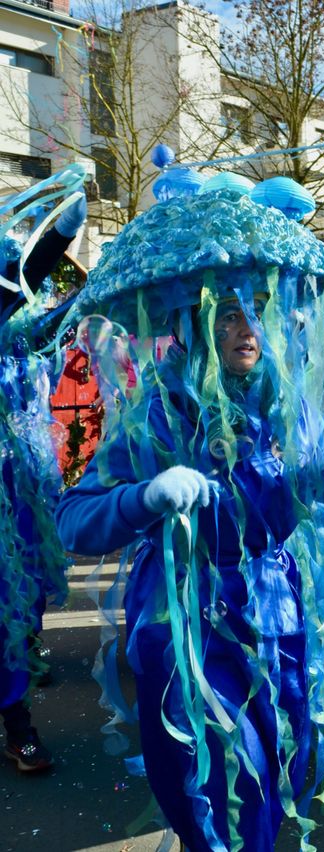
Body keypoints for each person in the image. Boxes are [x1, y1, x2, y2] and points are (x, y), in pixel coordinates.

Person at [55, 185, 324, 850]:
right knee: (224, 772)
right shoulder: (156, 414)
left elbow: (285, 510)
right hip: (185, 617)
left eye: (257, 313)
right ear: (194, 323)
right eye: (226, 315)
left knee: (284, 761)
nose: (246, 329)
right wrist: (145, 497)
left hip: (277, 612)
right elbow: (73, 521)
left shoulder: (287, 409)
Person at [1, 191, 87, 772]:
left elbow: (46, 324)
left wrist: (86, 290)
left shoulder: (17, 330)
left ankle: (19, 693)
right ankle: (18, 720)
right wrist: (55, 239)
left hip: (19, 484)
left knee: (22, 590)